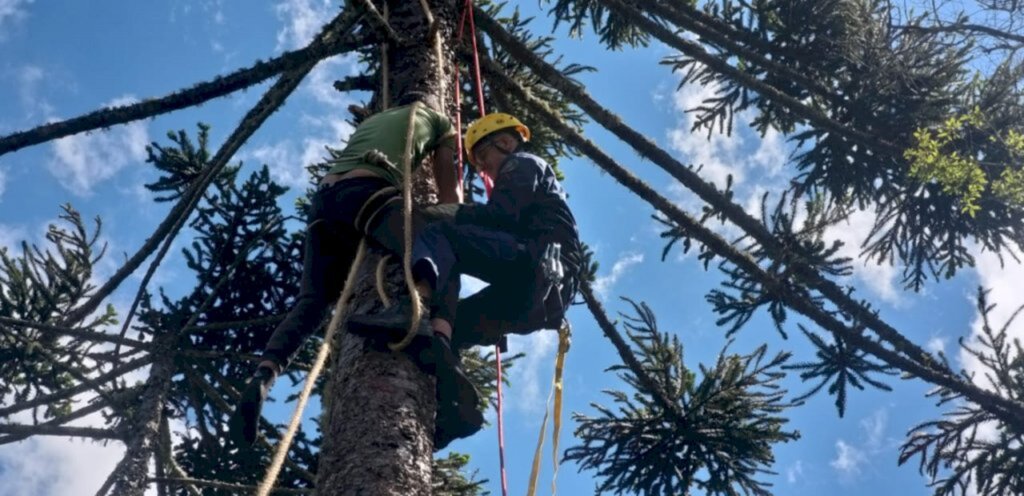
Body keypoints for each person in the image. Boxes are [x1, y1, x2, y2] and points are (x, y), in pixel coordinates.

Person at [229, 93, 483, 450]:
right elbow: (448, 194)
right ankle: (429, 328)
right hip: (369, 190)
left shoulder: (371, 122)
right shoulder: (438, 121)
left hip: (326, 202)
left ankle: (265, 373)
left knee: (314, 301)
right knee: (441, 246)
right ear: (430, 105)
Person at [349, 112, 582, 384]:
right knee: (455, 323)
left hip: (535, 263)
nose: (483, 167)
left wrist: (456, 213)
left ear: (506, 143)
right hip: (541, 301)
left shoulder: (522, 164)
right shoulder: (537, 183)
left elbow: (502, 216)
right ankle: (448, 381)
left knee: (443, 236)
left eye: (484, 155)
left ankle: (413, 309)